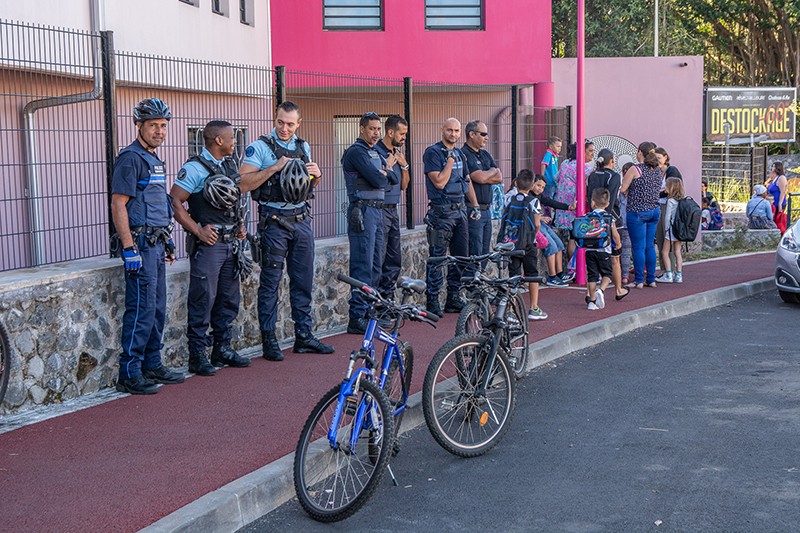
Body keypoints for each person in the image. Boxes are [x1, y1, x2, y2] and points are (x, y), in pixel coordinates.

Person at [239, 101, 335, 361]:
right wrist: (273, 168)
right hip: (274, 220)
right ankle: (269, 340)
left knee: (303, 281)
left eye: (290, 124)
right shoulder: (259, 147)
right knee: (270, 282)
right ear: (275, 119)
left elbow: (305, 183)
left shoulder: (303, 146)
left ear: (298, 124)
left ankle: (304, 336)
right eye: (280, 122)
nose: (284, 128)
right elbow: (243, 183)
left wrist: (318, 175)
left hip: (302, 219)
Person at [110, 98, 184, 394]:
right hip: (139, 245)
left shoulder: (153, 159)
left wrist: (167, 240)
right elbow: (119, 204)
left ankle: (152, 363)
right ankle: (129, 373)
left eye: (163, 125)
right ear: (138, 125)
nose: (159, 131)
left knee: (156, 309)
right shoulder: (130, 158)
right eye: (153, 125)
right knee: (140, 309)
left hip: (155, 243)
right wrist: (129, 248)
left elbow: (155, 203)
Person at [171, 120, 251, 376]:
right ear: (218, 141)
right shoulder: (194, 168)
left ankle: (222, 348)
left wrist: (239, 225)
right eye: (231, 138)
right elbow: (175, 201)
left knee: (228, 299)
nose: (234, 142)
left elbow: (231, 199)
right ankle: (197, 355)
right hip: (209, 246)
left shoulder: (228, 164)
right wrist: (197, 230)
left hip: (230, 243)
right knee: (203, 299)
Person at [423, 118, 480, 317]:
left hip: (460, 210)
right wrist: (449, 161)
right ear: (442, 130)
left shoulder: (460, 154)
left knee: (461, 257)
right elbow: (439, 182)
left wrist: (474, 205)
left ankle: (453, 297)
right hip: (441, 212)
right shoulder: (433, 153)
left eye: (456, 130)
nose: (453, 134)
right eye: (450, 130)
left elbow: (467, 180)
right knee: (437, 258)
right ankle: (432, 300)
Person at [342, 112, 392, 334]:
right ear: (361, 129)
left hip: (378, 212)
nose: (376, 133)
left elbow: (394, 180)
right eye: (372, 129)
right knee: (362, 265)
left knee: (375, 265)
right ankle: (357, 316)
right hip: (362, 211)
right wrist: (384, 173)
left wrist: (384, 174)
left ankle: (369, 311)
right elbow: (380, 179)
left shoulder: (374, 152)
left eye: (378, 129)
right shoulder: (356, 152)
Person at [501, 170, 547, 320]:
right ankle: (533, 308)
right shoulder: (533, 201)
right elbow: (537, 223)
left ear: (516, 183)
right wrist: (533, 234)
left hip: (511, 243)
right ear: (532, 185)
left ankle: (510, 310)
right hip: (528, 243)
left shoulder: (508, 198)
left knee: (513, 275)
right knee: (532, 274)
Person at [375, 115, 410, 300]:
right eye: (401, 133)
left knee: (394, 258)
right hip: (379, 209)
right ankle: (377, 302)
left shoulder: (399, 154)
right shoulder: (377, 152)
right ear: (390, 132)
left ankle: (387, 299)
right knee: (379, 258)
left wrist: (404, 166)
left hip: (393, 210)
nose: (404, 137)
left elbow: (404, 186)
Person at [462, 120, 503, 276]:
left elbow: (499, 177)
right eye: (483, 134)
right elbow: (478, 177)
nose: (487, 137)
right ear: (472, 134)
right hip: (473, 209)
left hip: (487, 210)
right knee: (475, 249)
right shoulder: (465, 154)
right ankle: (471, 284)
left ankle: (480, 283)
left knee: (485, 250)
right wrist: (489, 173)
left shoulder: (485, 154)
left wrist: (488, 175)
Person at [587, 149, 629, 300]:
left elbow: (588, 195)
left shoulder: (592, 175)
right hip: (611, 218)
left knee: (591, 260)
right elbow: (610, 200)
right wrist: (608, 220)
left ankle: (590, 294)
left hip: (592, 219)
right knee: (615, 257)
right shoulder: (614, 176)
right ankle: (618, 289)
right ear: (612, 160)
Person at [621, 141, 662, 289]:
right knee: (649, 246)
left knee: (638, 247)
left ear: (640, 152)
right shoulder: (658, 170)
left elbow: (623, 188)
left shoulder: (635, 169)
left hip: (637, 211)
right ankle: (651, 279)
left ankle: (639, 280)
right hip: (654, 210)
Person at [527, 175, 570, 287]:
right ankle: (552, 276)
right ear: (531, 184)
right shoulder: (528, 197)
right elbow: (526, 214)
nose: (540, 189)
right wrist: (540, 218)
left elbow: (551, 202)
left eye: (542, 187)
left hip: (541, 223)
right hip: (534, 225)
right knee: (551, 247)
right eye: (538, 185)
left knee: (559, 245)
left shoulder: (539, 196)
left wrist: (568, 207)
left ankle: (559, 273)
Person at [584, 188, 621, 310]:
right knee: (607, 274)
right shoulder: (609, 217)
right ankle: (601, 290)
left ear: (593, 202)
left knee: (592, 276)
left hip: (589, 250)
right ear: (608, 203)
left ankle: (592, 301)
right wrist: (618, 243)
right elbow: (615, 234)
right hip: (604, 249)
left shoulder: (587, 216)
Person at [654, 147, 682, 269]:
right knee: (660, 239)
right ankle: (664, 269)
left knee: (668, 239)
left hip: (669, 207)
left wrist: (656, 193)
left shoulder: (672, 170)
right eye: (655, 158)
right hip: (659, 206)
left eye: (659, 158)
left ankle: (669, 269)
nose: (657, 161)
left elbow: (671, 191)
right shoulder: (657, 172)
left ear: (665, 157)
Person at [656, 178, 686, 284]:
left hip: (671, 230)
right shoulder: (682, 200)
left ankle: (668, 274)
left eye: (667, 186)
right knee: (677, 252)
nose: (665, 188)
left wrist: (666, 228)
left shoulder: (670, 201)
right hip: (680, 230)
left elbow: (667, 217)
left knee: (665, 252)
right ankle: (679, 275)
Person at [767, 161, 788, 233]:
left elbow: (782, 192)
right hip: (772, 203)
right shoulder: (774, 178)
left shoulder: (781, 178)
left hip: (778, 203)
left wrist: (780, 204)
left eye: (773, 166)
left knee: (778, 220)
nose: (772, 168)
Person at [540, 136, 562, 200]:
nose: (559, 149)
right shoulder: (549, 154)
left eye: (560, 147)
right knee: (549, 197)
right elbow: (543, 164)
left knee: (554, 197)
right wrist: (542, 176)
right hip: (549, 181)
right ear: (551, 147)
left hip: (554, 180)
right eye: (558, 146)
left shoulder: (555, 155)